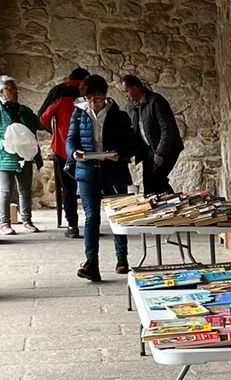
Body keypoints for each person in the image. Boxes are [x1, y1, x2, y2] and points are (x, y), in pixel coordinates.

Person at [67, 74, 144, 281]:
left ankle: (122, 259)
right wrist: (74, 153)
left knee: (118, 215)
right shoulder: (79, 114)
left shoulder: (118, 115)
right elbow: (70, 140)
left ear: (105, 96)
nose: (94, 103)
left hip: (114, 170)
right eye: (90, 99)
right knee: (91, 217)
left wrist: (120, 154)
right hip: (87, 171)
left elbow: (131, 143)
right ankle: (92, 263)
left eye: (98, 98)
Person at [0, 75, 43, 236]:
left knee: (25, 190)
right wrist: (3, 144)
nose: (16, 91)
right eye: (11, 89)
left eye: (16, 88)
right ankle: (5, 222)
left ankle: (27, 220)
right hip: (4, 157)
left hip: (24, 155)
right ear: (1, 92)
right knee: (6, 190)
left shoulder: (24, 110)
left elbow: (38, 123)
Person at [38, 67, 88, 237]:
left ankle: (72, 226)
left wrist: (56, 132)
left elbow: (43, 117)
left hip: (63, 147)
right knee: (90, 186)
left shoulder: (59, 91)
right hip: (89, 147)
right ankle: (91, 223)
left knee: (68, 188)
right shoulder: (89, 90)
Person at [121, 74, 183, 194]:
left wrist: (161, 152)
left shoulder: (156, 101)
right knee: (149, 186)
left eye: (126, 91)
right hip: (148, 149)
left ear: (135, 88)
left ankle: (172, 206)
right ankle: (159, 208)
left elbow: (168, 129)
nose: (126, 95)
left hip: (167, 148)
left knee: (157, 180)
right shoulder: (131, 107)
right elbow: (134, 131)